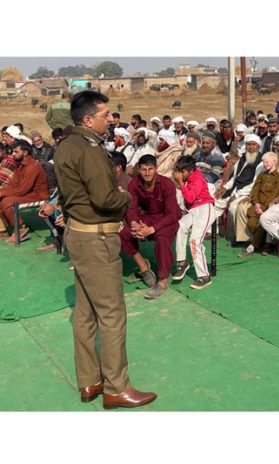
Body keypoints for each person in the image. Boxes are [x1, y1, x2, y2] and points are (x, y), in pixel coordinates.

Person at [53, 90, 157, 409]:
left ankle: (90, 381)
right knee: (112, 314)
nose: (110, 119)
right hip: (97, 239)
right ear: (88, 119)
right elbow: (106, 199)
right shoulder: (89, 149)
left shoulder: (66, 145)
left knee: (85, 314)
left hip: (78, 235)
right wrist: (126, 194)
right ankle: (116, 387)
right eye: (105, 115)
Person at [119, 155, 181, 300]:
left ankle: (163, 280)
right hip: (147, 217)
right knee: (124, 232)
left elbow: (172, 215)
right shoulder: (134, 183)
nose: (147, 173)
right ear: (139, 170)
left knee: (162, 238)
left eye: (150, 169)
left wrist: (150, 230)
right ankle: (143, 267)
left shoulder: (167, 184)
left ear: (156, 169)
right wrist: (135, 224)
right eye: (144, 169)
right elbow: (131, 209)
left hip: (166, 219)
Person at [171, 155, 216, 290]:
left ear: (191, 170)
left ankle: (204, 276)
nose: (179, 174)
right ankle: (182, 262)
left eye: (182, 171)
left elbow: (190, 198)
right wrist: (180, 183)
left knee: (195, 241)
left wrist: (180, 183)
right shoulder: (187, 178)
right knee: (179, 226)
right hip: (193, 211)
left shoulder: (197, 178)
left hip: (205, 208)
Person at [0, 140, 50, 244]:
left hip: (38, 195)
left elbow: (22, 190)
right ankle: (6, 229)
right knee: (2, 199)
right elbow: (13, 184)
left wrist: (3, 192)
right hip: (27, 193)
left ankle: (22, 228)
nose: (13, 154)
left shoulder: (32, 166)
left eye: (16, 152)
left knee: (6, 202)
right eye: (13, 151)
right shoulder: (20, 164)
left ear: (25, 152)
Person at [238, 152, 279, 258]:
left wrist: (263, 207)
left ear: (274, 162)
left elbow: (274, 194)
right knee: (252, 224)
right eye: (263, 162)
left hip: (268, 206)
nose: (264, 164)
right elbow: (255, 190)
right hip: (257, 205)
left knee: (262, 223)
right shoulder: (261, 175)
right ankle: (260, 241)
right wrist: (257, 204)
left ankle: (252, 246)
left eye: (266, 161)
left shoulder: (278, 178)